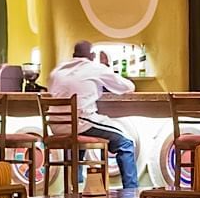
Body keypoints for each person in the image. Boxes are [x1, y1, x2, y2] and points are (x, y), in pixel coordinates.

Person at [48, 40, 140, 189]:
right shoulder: (95, 68)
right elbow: (127, 87)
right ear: (92, 55)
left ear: (73, 55)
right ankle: (131, 193)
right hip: (81, 122)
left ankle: (74, 189)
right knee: (126, 142)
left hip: (56, 126)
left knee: (78, 144)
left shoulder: (57, 71)